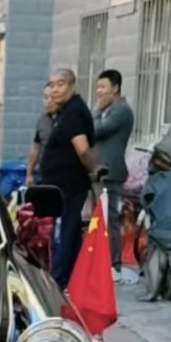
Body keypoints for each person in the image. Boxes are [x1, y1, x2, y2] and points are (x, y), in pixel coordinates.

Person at [37, 67, 101, 288]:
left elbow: (82, 149)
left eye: (61, 84)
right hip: (59, 183)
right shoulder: (64, 111)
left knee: (67, 229)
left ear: (73, 86)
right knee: (65, 229)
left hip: (70, 183)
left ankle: (60, 277)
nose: (55, 89)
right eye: (52, 84)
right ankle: (65, 275)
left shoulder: (75, 112)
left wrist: (92, 170)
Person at [92, 68, 135, 283]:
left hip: (111, 173)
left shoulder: (121, 110)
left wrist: (96, 111)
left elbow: (95, 130)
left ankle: (114, 266)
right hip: (98, 172)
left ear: (115, 88)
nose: (99, 91)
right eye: (98, 87)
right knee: (99, 220)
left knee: (111, 220)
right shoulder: (108, 109)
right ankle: (100, 262)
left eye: (103, 87)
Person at [26, 84, 56, 185]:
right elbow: (36, 147)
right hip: (44, 176)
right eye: (46, 97)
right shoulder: (42, 120)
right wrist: (29, 174)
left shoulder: (67, 118)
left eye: (52, 97)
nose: (48, 101)